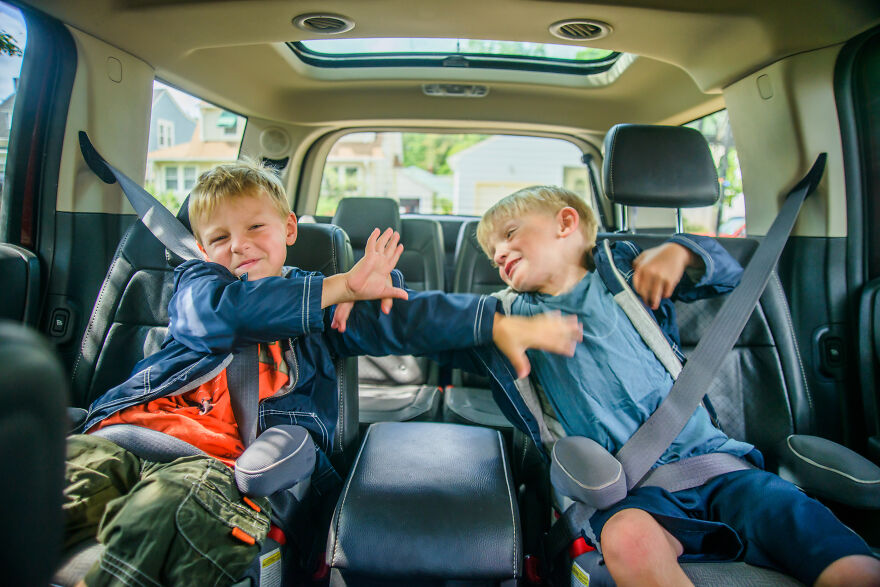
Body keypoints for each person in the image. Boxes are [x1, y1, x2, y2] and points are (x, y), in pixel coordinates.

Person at [64, 162, 582, 587]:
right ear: (200, 249)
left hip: (217, 464)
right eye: (219, 237)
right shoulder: (198, 285)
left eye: (255, 228)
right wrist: (336, 288)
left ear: (290, 228)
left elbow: (405, 317)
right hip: (123, 434)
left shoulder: (329, 305)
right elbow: (224, 314)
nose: (238, 246)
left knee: (168, 515)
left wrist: (495, 323)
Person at [472, 185, 880, 587]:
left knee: (836, 552)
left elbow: (731, 275)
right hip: (630, 491)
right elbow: (445, 327)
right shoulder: (510, 316)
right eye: (492, 255)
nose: (499, 254)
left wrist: (681, 250)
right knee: (629, 537)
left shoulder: (625, 273)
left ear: (566, 223)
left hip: (723, 469)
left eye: (508, 234)